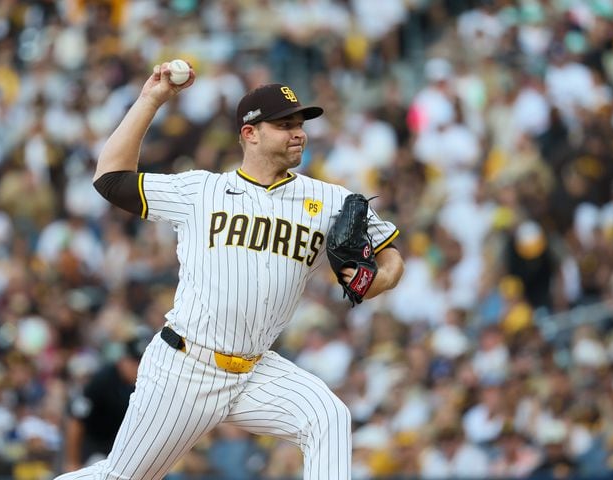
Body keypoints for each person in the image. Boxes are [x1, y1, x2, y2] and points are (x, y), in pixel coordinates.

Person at [54, 61, 404, 480]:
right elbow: (110, 179)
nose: (299, 132)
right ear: (249, 133)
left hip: (256, 369)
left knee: (327, 416)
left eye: (300, 123)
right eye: (284, 124)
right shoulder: (201, 190)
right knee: (122, 477)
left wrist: (378, 279)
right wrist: (151, 99)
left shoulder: (328, 200)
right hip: (186, 365)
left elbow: (391, 256)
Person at [63, 334, 149, 471]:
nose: (138, 367)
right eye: (135, 362)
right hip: (92, 445)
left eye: (142, 362)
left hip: (118, 446)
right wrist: (72, 461)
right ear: (123, 360)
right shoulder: (102, 380)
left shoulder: (146, 383)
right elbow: (76, 420)